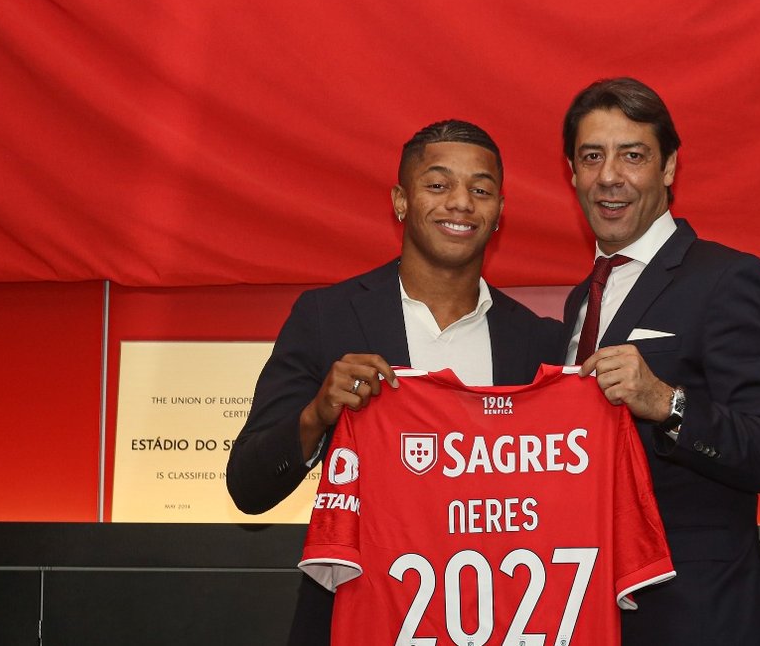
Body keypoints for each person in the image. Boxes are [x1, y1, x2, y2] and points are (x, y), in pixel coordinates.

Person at [226, 119, 563, 646]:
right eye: (438, 184)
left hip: (498, 620)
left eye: (481, 190)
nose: (461, 203)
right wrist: (316, 417)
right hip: (354, 618)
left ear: (499, 212)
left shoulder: (540, 343)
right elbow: (248, 489)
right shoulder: (327, 318)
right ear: (401, 201)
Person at [560, 77, 760, 645]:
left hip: (701, 619)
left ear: (668, 167)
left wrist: (666, 403)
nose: (609, 176)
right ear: (572, 173)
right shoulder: (581, 302)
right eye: (592, 156)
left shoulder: (729, 279)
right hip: (594, 616)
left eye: (633, 155)